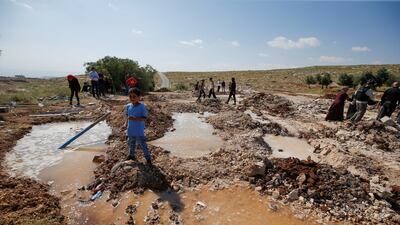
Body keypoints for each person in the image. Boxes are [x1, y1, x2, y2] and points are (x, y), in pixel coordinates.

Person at [124, 87, 152, 164]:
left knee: (143, 144)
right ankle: (131, 155)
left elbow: (144, 118)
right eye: (130, 96)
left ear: (139, 97)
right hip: (130, 130)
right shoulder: (128, 106)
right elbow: (127, 116)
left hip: (139, 131)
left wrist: (135, 118)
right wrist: (125, 124)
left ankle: (148, 159)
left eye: (134, 96)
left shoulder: (141, 106)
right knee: (131, 143)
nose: (132, 98)